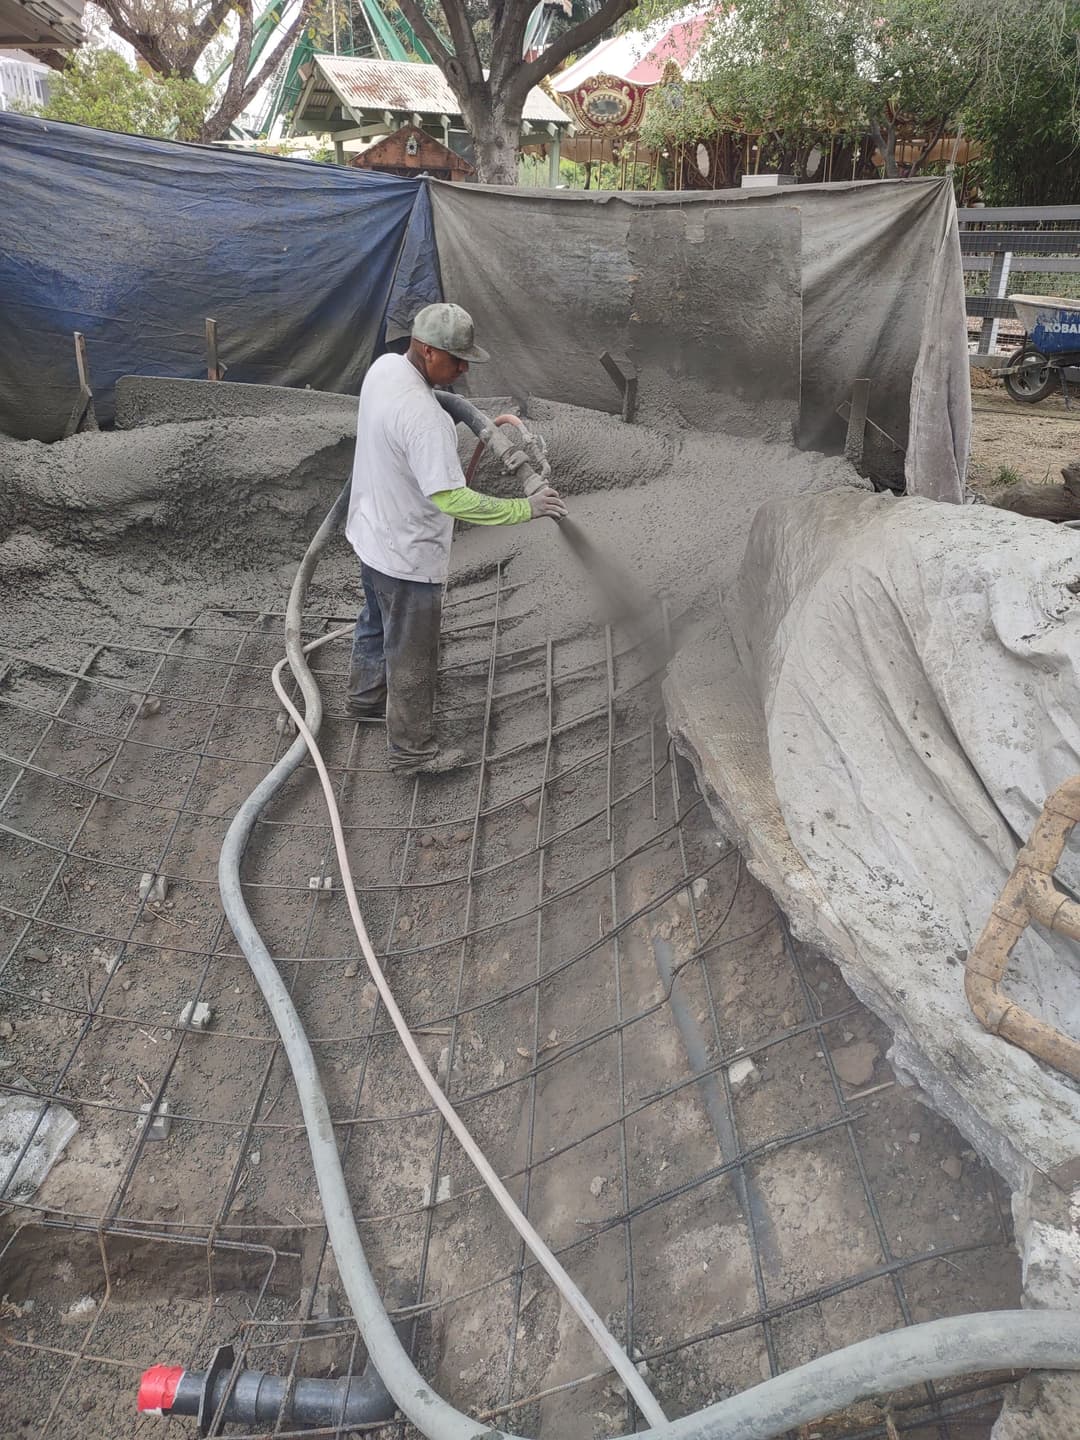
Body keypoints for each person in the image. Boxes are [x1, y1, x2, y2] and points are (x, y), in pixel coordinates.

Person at [345, 302, 567, 774]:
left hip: (371, 534)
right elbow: (454, 500)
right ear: (426, 351)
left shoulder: (387, 368)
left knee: (374, 622)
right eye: (456, 358)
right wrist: (524, 508)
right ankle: (412, 753)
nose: (464, 368)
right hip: (408, 556)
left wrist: (471, 413)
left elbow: (433, 398)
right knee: (412, 657)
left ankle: (364, 699)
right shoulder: (424, 420)